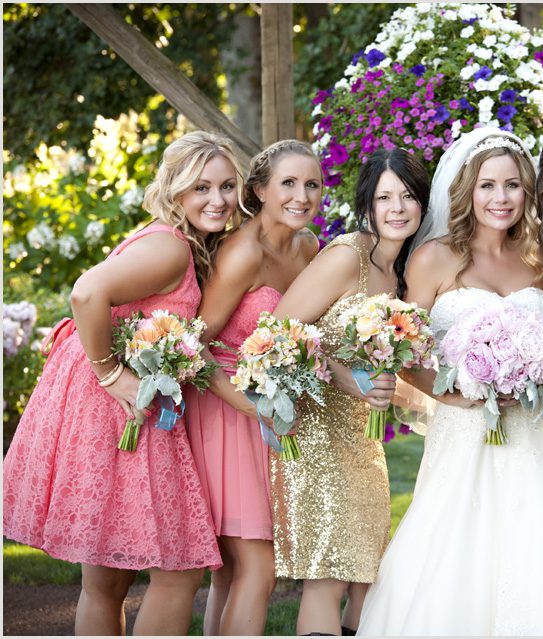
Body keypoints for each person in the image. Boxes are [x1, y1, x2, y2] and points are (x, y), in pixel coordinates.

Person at [356, 127, 543, 636]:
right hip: (463, 429)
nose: (500, 198)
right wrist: (459, 391)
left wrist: (537, 375)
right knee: (454, 551)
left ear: (527, 192)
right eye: (488, 186)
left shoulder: (542, 258)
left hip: (538, 431)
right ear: (468, 189)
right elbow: (401, 348)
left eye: (512, 186)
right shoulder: (434, 258)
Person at [3, 131, 243, 635]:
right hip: (117, 404)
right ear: (175, 190)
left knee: (106, 582)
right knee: (179, 570)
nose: (218, 200)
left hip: (103, 402)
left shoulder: (171, 240)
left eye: (226, 187)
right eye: (201, 188)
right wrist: (111, 373)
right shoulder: (170, 249)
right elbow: (87, 292)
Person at [269, 147, 426, 636]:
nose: (397, 208)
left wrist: (387, 386)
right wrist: (347, 378)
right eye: (384, 197)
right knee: (332, 571)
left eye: (406, 196)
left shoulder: (402, 272)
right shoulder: (347, 256)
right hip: (315, 433)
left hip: (361, 437)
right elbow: (277, 335)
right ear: (368, 205)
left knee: (367, 573)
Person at [184, 139, 323, 635]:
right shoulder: (242, 253)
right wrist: (249, 405)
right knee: (259, 567)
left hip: (269, 403)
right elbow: (192, 345)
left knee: (234, 570)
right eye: (288, 183)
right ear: (259, 191)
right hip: (225, 405)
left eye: (312, 184)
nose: (302, 196)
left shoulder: (309, 247)